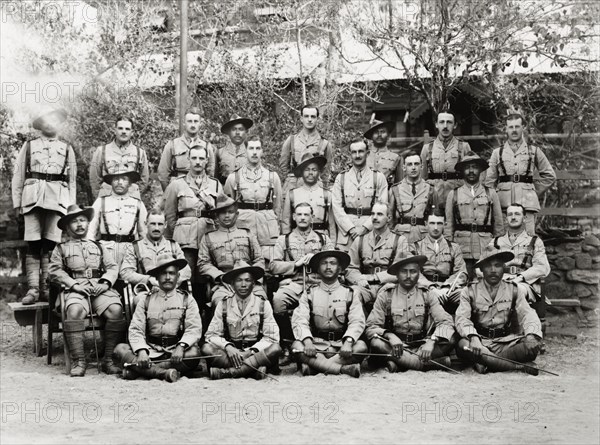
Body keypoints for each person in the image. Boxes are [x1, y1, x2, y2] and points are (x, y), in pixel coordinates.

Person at [49, 205, 126, 376]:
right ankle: (79, 361)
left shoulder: (98, 246)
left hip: (99, 288)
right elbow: (54, 271)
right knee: (74, 310)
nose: (79, 224)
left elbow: (112, 267)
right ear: (68, 226)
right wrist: (74, 285)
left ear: (88, 223)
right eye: (74, 221)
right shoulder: (61, 248)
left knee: (116, 309)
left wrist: (106, 282)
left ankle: (108, 360)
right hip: (75, 289)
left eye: (82, 220)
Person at [12, 108, 77, 304]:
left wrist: (71, 208)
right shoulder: (29, 146)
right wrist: (17, 204)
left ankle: (46, 288)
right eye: (46, 120)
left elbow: (72, 180)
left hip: (57, 200)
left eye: (54, 120)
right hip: (32, 199)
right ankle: (32, 290)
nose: (51, 123)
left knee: (50, 245)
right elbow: (18, 176)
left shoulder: (67, 148)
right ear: (41, 125)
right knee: (33, 244)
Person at [113, 254, 203, 382]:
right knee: (119, 350)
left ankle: (139, 371)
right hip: (151, 351)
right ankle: (163, 373)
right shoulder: (146, 299)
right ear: (156, 277)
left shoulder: (187, 299)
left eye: (171, 273)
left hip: (175, 352)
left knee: (194, 354)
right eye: (163, 273)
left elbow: (194, 328)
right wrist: (141, 350)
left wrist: (181, 346)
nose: (167, 277)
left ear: (178, 277)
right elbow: (135, 329)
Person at [455, 248, 543, 375]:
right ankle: (519, 367)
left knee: (531, 347)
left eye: (497, 265)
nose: (493, 270)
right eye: (488, 266)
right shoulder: (469, 291)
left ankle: (485, 362)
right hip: (479, 342)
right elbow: (462, 319)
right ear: (481, 270)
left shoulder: (513, 289)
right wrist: (473, 337)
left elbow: (527, 314)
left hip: (505, 342)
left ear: (504, 268)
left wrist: (532, 334)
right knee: (462, 345)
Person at [366, 253, 456, 372]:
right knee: (376, 343)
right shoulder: (386, 295)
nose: (408, 276)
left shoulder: (427, 294)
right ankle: (428, 364)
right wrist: (390, 335)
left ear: (419, 274)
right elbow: (371, 327)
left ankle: (400, 364)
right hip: (395, 346)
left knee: (451, 339)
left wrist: (432, 341)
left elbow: (446, 322)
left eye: (413, 271)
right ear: (397, 274)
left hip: (421, 346)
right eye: (404, 271)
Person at [270, 202, 334, 360]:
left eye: (306, 215)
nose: (303, 218)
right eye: (299, 214)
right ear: (293, 217)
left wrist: (317, 260)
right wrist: (295, 264)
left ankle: (325, 343)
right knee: (278, 300)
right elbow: (273, 266)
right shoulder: (283, 240)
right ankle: (287, 343)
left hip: (318, 284)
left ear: (312, 217)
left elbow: (333, 263)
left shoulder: (323, 239)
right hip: (295, 284)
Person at [291, 250, 366, 378]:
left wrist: (348, 341)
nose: (328, 267)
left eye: (332, 263)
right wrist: (308, 342)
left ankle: (315, 367)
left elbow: (357, 321)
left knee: (361, 347)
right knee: (297, 346)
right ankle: (343, 369)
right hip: (317, 347)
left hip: (341, 347)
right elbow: (300, 320)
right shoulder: (309, 293)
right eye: (324, 263)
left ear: (340, 268)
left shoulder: (350, 293)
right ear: (318, 269)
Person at [202, 262, 282, 379]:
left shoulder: (263, 304)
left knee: (276, 348)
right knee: (206, 348)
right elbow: (211, 335)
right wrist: (228, 347)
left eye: (247, 280)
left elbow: (272, 337)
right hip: (231, 354)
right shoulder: (223, 304)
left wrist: (251, 352)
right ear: (232, 284)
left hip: (254, 352)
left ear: (254, 283)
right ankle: (251, 369)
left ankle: (229, 372)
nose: (243, 284)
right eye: (239, 280)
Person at [484, 113, 556, 235]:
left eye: (517, 126)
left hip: (527, 206)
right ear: (506, 129)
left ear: (523, 127)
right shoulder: (497, 153)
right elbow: (489, 181)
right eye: (510, 127)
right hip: (503, 206)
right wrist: (494, 199)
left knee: (527, 242)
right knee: (503, 242)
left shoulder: (534, 151)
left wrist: (531, 190)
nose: (514, 130)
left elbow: (550, 176)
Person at [163, 144, 222, 280]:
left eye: (201, 158)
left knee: (206, 278)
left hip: (208, 237)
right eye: (194, 158)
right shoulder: (177, 184)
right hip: (184, 240)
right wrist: (178, 235)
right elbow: (170, 215)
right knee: (184, 277)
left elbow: (220, 215)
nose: (197, 161)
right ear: (188, 159)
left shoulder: (215, 184)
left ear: (207, 160)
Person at [488, 203, 550, 330]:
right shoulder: (495, 242)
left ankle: (517, 330)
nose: (513, 217)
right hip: (499, 280)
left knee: (515, 290)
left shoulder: (534, 241)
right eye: (510, 214)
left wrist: (521, 277)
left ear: (524, 218)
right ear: (506, 219)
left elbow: (542, 267)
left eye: (517, 214)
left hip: (525, 284)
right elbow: (480, 267)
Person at [197, 194, 265, 307]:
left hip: (249, 282)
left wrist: (251, 277)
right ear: (217, 215)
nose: (227, 216)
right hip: (224, 285)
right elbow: (203, 264)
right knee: (220, 303)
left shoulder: (247, 234)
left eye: (230, 212)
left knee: (260, 302)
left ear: (237, 214)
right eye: (223, 212)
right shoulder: (208, 237)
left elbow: (259, 259)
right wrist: (220, 276)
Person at [445, 152, 504, 278]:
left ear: (480, 170)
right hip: (461, 248)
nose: (471, 171)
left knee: (484, 284)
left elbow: (498, 225)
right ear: (462, 171)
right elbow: (449, 225)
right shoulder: (454, 194)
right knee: (462, 283)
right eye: (467, 168)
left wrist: (497, 247)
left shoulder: (491, 193)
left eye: (474, 167)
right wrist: (449, 249)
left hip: (485, 248)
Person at [224, 136, 282, 260]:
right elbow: (228, 210)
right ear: (245, 151)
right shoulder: (234, 178)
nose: (254, 152)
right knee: (242, 266)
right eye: (251, 148)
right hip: (243, 230)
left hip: (267, 233)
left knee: (270, 269)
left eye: (258, 148)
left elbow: (278, 209)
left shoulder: (272, 177)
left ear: (262, 151)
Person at [345, 201, 408, 315]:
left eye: (379, 214)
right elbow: (350, 268)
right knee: (352, 293)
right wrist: (359, 279)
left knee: (388, 294)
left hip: (387, 285)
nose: (374, 218)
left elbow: (400, 270)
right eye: (372, 214)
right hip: (365, 286)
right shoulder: (360, 240)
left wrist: (374, 278)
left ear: (388, 218)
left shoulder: (399, 240)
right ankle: (361, 327)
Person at [331, 140, 388, 252]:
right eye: (354, 152)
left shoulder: (378, 177)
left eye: (361, 151)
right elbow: (336, 207)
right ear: (350, 154)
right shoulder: (341, 178)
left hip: (371, 231)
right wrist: (351, 229)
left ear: (367, 153)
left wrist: (365, 227)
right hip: (347, 235)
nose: (357, 155)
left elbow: (383, 206)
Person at [120, 209, 191, 299]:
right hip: (146, 291)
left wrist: (172, 283)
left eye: (160, 224)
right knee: (143, 302)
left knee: (184, 301)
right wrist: (149, 279)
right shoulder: (135, 247)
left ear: (165, 225)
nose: (156, 228)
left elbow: (186, 270)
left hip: (172, 290)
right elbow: (126, 272)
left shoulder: (173, 246)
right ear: (146, 224)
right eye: (153, 224)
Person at [88, 169, 148, 267]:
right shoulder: (101, 202)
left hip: (129, 252)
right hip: (105, 250)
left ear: (129, 183)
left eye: (124, 179)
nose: (119, 182)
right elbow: (90, 230)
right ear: (111, 182)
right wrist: (93, 251)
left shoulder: (138, 204)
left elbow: (144, 234)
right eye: (116, 179)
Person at [279, 105, 334, 208]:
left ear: (317, 119)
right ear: (301, 118)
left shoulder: (325, 144)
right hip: (293, 187)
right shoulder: (291, 140)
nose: (309, 120)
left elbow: (325, 173)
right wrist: (291, 181)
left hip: (315, 189)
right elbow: (283, 166)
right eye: (306, 116)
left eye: (313, 117)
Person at [413, 210, 468, 313]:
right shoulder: (417, 247)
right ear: (426, 224)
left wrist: (446, 288)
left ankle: (460, 324)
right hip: (425, 289)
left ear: (444, 225)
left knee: (465, 295)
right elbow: (414, 273)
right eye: (432, 223)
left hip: (448, 290)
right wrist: (431, 288)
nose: (435, 227)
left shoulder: (454, 247)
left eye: (439, 223)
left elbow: (461, 273)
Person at [89, 116, 149, 199]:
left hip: (131, 199)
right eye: (120, 128)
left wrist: (134, 194)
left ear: (132, 132)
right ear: (115, 130)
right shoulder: (102, 151)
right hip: (107, 198)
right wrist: (100, 199)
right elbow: (95, 179)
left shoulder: (140, 152)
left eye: (127, 129)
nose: (124, 132)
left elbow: (144, 179)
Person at [157, 107, 216, 191]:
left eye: (196, 121)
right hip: (178, 190)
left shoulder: (207, 146)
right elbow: (163, 174)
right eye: (189, 121)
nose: (192, 125)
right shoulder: (172, 145)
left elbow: (211, 174)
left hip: (200, 191)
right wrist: (169, 195)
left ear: (200, 123)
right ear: (184, 122)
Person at [420, 111, 471, 209]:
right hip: (435, 197)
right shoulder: (427, 148)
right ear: (436, 124)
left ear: (455, 125)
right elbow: (423, 178)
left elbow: (470, 177)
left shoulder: (464, 147)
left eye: (449, 122)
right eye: (442, 122)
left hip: (458, 198)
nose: (445, 126)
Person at [280, 153, 335, 238]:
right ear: (301, 172)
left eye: (314, 169)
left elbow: (331, 224)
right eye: (307, 169)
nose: (310, 173)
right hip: (297, 238)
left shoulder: (327, 195)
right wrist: (287, 242)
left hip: (321, 238)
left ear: (319, 172)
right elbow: (286, 223)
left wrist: (332, 244)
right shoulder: (292, 194)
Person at [389, 151, 437, 243]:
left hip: (424, 237)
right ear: (404, 167)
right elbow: (390, 219)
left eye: (416, 164)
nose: (413, 167)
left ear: (422, 166)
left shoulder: (430, 189)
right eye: (409, 164)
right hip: (401, 238)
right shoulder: (395, 189)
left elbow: (435, 217)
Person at [214, 115, 253, 184]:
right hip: (226, 193)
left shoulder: (252, 151)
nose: (237, 132)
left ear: (246, 132)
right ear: (229, 133)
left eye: (241, 129)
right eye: (234, 129)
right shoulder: (220, 152)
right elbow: (216, 180)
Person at [364, 119, 402, 186]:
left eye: (382, 132)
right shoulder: (363, 156)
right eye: (376, 132)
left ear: (388, 136)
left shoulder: (396, 158)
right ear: (371, 136)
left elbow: (399, 184)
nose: (379, 135)